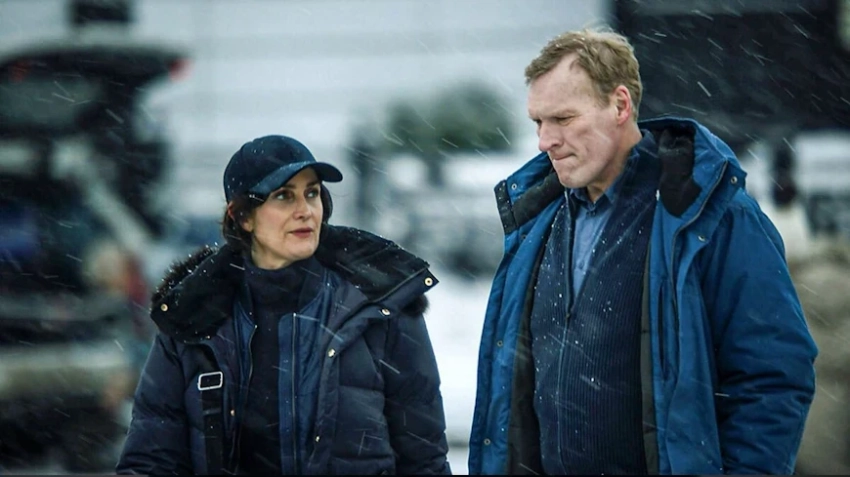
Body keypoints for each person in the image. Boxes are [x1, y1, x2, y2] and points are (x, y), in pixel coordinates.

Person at [468, 28, 818, 475]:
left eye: (563, 119)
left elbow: (773, 376)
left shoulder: (709, 215)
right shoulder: (537, 220)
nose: (545, 140)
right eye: (538, 122)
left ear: (620, 105)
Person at [116, 135, 452, 475]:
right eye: (283, 196)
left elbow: (424, 460)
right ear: (242, 216)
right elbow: (151, 462)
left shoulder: (380, 306)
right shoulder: (193, 318)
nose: (305, 211)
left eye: (312, 193)